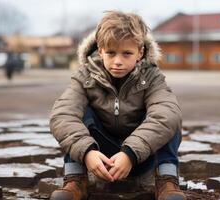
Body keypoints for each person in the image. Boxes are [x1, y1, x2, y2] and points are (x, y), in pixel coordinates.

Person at [49, 11, 185, 200]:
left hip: (140, 156)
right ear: (100, 49)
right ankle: (75, 180)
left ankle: (167, 180)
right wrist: (87, 153)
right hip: (98, 156)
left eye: (127, 53)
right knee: (75, 116)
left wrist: (130, 153)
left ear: (140, 52)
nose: (118, 61)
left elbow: (167, 115)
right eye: (111, 53)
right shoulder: (85, 76)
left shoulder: (152, 77)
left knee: (169, 117)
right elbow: (62, 115)